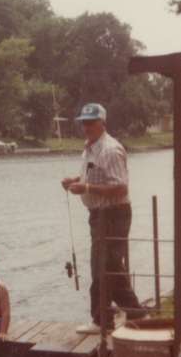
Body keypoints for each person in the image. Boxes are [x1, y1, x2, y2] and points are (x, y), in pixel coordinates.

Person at [61, 103, 142, 334]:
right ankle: (131, 315)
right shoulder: (90, 148)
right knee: (108, 267)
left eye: (91, 122)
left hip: (114, 214)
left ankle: (104, 320)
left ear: (102, 123)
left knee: (103, 268)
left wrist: (86, 187)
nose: (86, 127)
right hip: (98, 216)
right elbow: (94, 174)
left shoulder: (110, 149)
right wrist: (75, 180)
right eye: (83, 123)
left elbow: (120, 187)